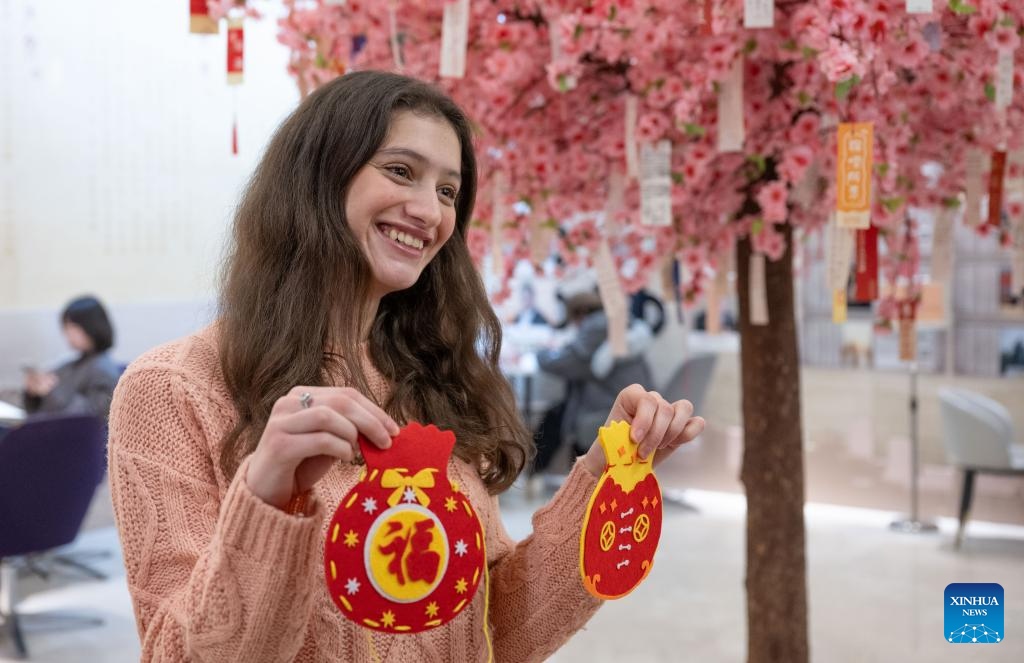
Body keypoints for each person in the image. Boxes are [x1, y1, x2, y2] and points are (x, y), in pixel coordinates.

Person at [107, 71, 704, 662]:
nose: (429, 211)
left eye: (449, 191)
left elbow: (495, 635)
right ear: (317, 177)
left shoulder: (441, 381)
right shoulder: (173, 390)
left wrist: (601, 478)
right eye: (401, 171)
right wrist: (265, 497)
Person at [533, 290, 655, 476]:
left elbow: (570, 363)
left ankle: (561, 484)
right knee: (556, 418)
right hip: (631, 407)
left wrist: (540, 353)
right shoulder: (619, 323)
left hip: (605, 410)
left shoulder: (596, 328)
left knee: (551, 423)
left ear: (580, 314)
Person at [23, 295, 120, 421]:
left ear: (91, 326)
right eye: (66, 327)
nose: (67, 333)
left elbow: (89, 420)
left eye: (72, 327)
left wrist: (50, 392)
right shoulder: (70, 366)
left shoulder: (104, 371)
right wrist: (33, 393)